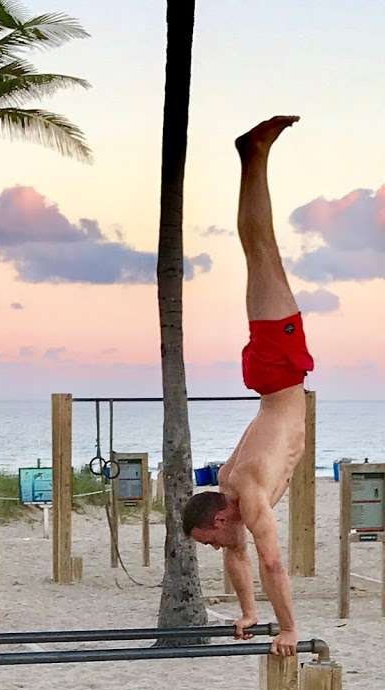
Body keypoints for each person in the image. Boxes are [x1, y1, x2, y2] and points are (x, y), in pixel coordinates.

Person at [182, 116, 313, 658]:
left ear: (220, 517)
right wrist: (250, 613)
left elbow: (272, 562)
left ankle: (252, 154)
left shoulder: (249, 493)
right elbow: (240, 557)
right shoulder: (234, 490)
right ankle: (253, 155)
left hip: (279, 370)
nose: (216, 550)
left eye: (209, 539)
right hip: (272, 376)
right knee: (261, 251)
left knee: (261, 249)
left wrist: (287, 627)